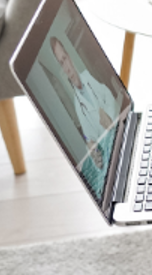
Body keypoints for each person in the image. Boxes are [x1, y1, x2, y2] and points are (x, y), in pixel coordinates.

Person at [50, 35, 120, 190]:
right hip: (112, 150)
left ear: (69, 56)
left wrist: (108, 114)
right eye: (61, 64)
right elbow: (88, 135)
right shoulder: (77, 105)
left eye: (64, 59)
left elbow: (109, 95)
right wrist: (90, 145)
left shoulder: (89, 75)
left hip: (120, 132)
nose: (66, 67)